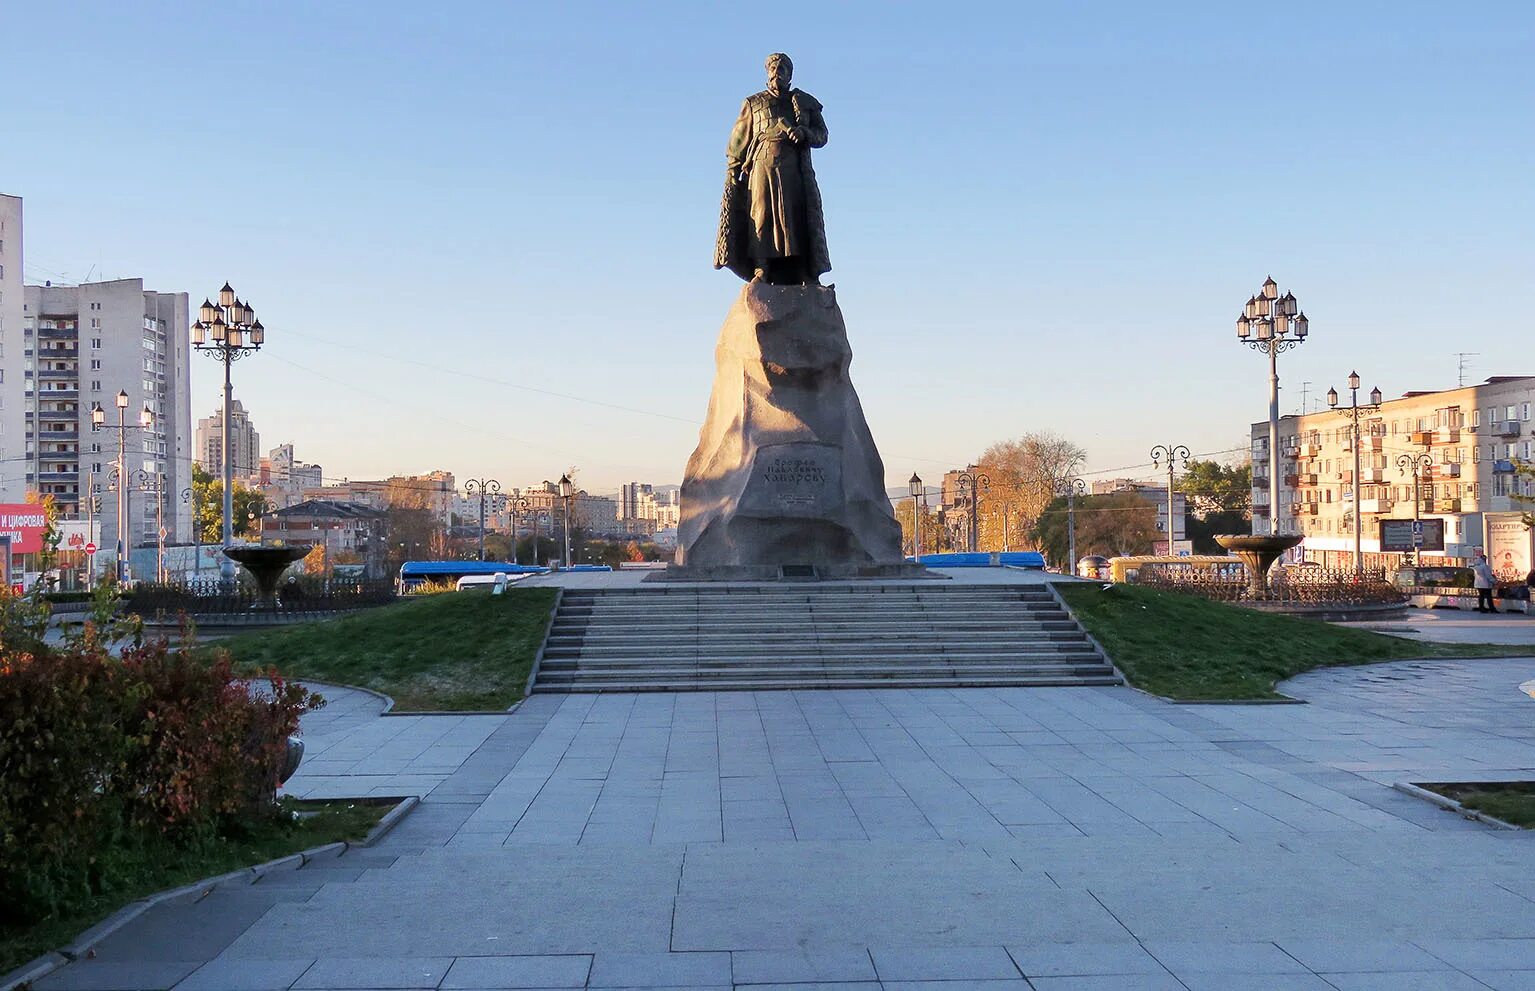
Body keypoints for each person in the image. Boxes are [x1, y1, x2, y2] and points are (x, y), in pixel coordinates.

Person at [714, 52, 832, 286]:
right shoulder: (753, 103)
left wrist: (804, 133)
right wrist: (732, 171)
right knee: (761, 215)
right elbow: (738, 141)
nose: (776, 73)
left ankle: (800, 269)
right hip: (760, 167)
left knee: (794, 216)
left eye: (782, 69)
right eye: (773, 68)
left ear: (789, 75)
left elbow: (822, 135)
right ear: (767, 73)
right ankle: (761, 267)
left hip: (793, 170)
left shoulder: (804, 102)